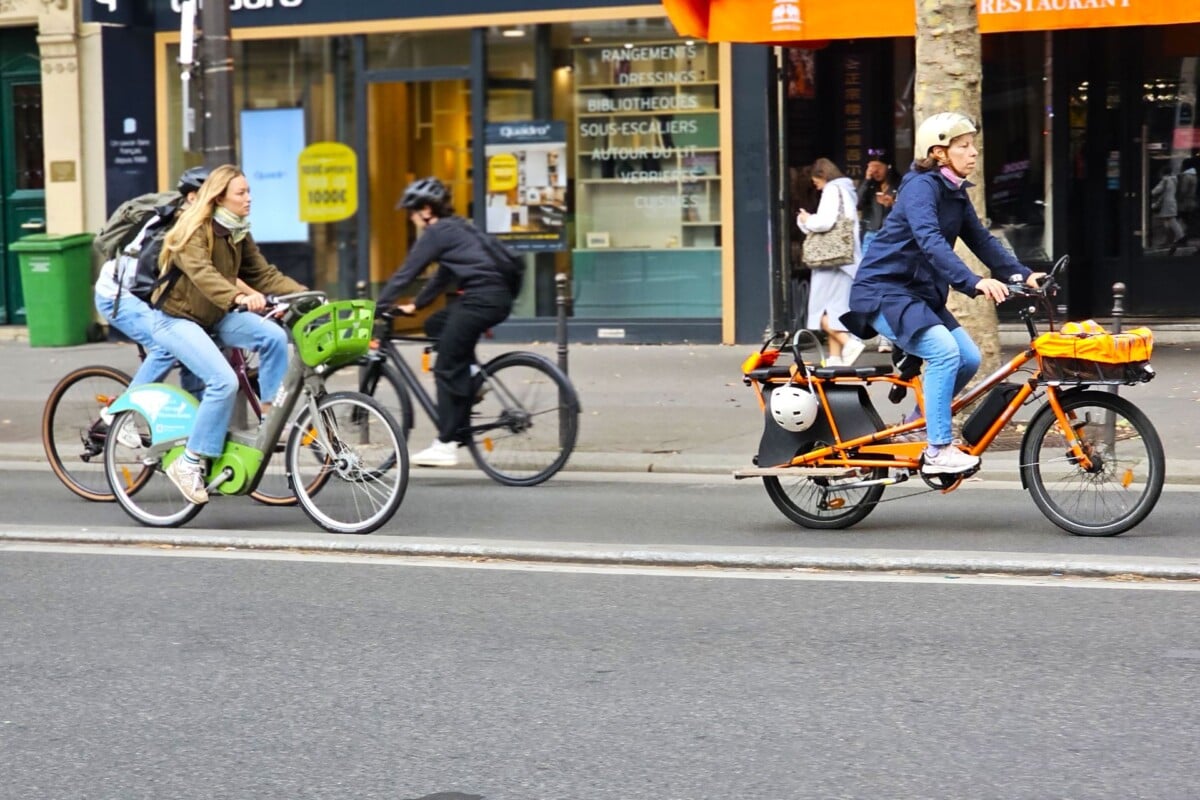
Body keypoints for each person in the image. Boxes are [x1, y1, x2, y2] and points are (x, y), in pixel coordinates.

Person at [840, 112, 1044, 476]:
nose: (973, 152)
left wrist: (1024, 275)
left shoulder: (954, 192)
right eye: (963, 146)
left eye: (973, 145)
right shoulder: (921, 187)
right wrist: (974, 281)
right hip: (886, 291)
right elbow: (930, 241)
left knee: (968, 358)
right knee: (945, 354)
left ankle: (916, 426)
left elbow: (981, 239)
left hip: (918, 296)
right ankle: (937, 449)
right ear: (939, 152)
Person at [151, 164, 307, 504]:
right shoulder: (193, 228)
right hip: (177, 320)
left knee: (273, 337)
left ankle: (270, 416)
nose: (249, 198)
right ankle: (189, 462)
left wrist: (305, 295)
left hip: (214, 316)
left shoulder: (237, 231)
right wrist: (238, 297)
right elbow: (203, 274)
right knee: (224, 381)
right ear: (220, 197)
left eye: (249, 191)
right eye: (241, 192)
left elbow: (263, 274)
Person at [377, 177, 515, 468]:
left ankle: (446, 444)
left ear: (426, 210)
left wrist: (375, 308)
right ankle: (473, 376)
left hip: (481, 300)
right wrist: (418, 305)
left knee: (445, 368)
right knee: (436, 325)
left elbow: (406, 273)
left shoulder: (436, 233)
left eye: (412, 212)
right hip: (496, 297)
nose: (411, 218)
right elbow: (443, 275)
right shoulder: (458, 227)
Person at [93, 168, 210, 443]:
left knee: (195, 348)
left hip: (149, 295)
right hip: (121, 295)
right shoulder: (173, 227)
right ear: (192, 198)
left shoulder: (202, 223)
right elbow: (146, 278)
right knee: (167, 346)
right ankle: (119, 415)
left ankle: (192, 433)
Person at [797, 158, 865, 366]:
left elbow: (825, 222)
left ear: (822, 175)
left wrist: (806, 219)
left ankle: (849, 343)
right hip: (846, 259)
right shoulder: (847, 190)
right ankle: (835, 357)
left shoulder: (832, 190)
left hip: (830, 260)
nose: (815, 185)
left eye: (815, 180)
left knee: (819, 311)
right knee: (836, 310)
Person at [857, 152, 901, 352]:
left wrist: (893, 204)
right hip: (871, 235)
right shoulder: (870, 186)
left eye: (878, 167)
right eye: (871, 167)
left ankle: (887, 335)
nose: (875, 171)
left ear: (888, 167)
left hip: (892, 236)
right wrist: (867, 180)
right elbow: (857, 203)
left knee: (890, 283)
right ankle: (868, 330)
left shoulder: (899, 184)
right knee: (870, 283)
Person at [1150, 166, 1185, 254]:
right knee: (1168, 220)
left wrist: (1150, 192)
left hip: (1166, 203)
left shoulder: (1165, 180)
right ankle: (1173, 239)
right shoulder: (1174, 180)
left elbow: (1156, 191)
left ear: (1163, 173)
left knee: (1170, 220)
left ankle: (1181, 237)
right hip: (1172, 202)